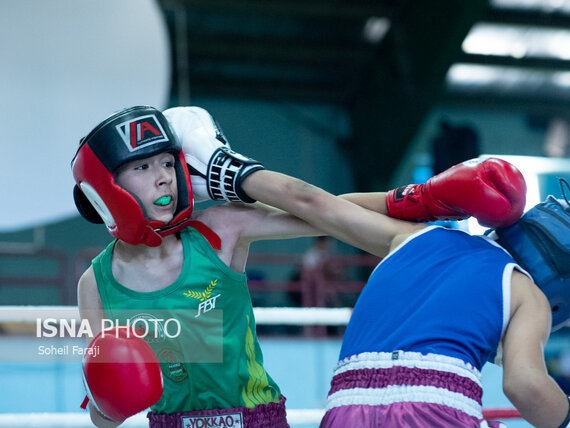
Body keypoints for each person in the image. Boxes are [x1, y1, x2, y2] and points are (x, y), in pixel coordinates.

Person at [72, 106, 524, 427]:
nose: (164, 175)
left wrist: (423, 199)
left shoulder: (217, 230)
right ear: (104, 190)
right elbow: (103, 415)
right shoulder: (95, 285)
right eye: (144, 166)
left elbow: (321, 209)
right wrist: (110, 400)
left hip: (254, 420)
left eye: (168, 162)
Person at [238, 170, 570, 427]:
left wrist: (232, 171)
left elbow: (312, 202)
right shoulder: (526, 292)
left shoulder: (409, 236)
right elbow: (526, 386)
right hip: (438, 409)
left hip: (345, 409)